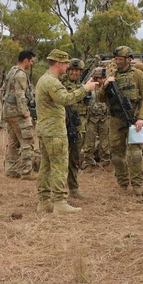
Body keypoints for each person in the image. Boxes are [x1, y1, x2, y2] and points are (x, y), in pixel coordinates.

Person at [35, 49, 99, 214]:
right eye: (65, 64)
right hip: (54, 131)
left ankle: (43, 202)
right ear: (58, 64)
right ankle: (60, 203)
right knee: (59, 166)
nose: (68, 66)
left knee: (46, 166)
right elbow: (66, 99)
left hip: (45, 130)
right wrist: (86, 88)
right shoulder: (52, 82)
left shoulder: (43, 79)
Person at [98, 45, 143, 195]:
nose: (117, 61)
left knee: (135, 154)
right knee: (116, 155)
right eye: (116, 59)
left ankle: (137, 185)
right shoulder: (112, 75)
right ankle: (122, 183)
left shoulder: (139, 75)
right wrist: (105, 85)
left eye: (120, 59)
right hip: (115, 120)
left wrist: (141, 118)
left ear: (129, 59)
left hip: (134, 119)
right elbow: (100, 98)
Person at [1, 50, 38, 180]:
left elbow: (3, 91)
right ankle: (26, 171)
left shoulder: (12, 71)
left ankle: (11, 170)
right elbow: (20, 95)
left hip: (8, 112)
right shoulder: (21, 74)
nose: (32, 64)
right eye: (31, 61)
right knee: (27, 140)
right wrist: (25, 112)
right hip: (17, 113)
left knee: (13, 142)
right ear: (26, 60)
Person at [60, 58, 89, 199]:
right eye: (71, 70)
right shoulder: (60, 85)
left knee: (74, 159)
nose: (74, 73)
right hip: (63, 127)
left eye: (77, 71)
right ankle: (58, 190)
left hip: (79, 129)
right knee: (61, 159)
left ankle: (73, 188)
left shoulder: (85, 88)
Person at [81, 59, 111, 169]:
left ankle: (106, 162)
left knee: (105, 143)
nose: (102, 80)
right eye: (99, 78)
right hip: (91, 118)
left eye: (103, 78)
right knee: (89, 142)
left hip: (104, 118)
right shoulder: (89, 87)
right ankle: (89, 162)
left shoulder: (107, 88)